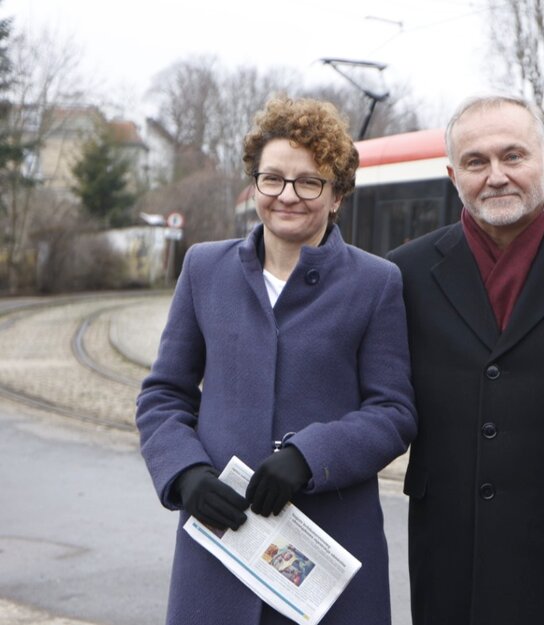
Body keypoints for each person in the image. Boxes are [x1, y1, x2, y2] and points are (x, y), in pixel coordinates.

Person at [136, 97, 417, 625]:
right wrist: (186, 474)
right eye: (273, 179)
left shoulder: (376, 283)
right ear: (256, 185)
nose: (287, 196)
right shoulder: (204, 269)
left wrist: (309, 456)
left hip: (328, 553)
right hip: (220, 549)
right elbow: (163, 395)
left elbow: (393, 412)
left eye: (309, 182)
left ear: (337, 195)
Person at [385, 95, 544, 625]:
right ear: (452, 175)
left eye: (514, 156)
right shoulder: (403, 274)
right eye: (476, 162)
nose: (496, 176)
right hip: (446, 552)